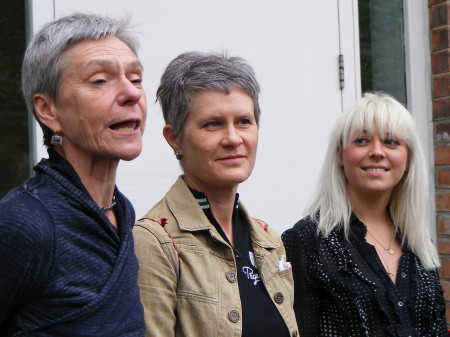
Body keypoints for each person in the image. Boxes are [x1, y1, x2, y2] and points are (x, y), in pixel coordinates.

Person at [0, 13, 147, 336]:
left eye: (135, 79)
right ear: (48, 110)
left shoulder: (120, 211)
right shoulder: (25, 224)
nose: (131, 93)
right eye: (100, 80)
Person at [133, 51, 299, 337]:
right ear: (174, 138)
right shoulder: (155, 241)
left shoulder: (270, 241)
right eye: (213, 124)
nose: (234, 138)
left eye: (244, 121)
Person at [282, 92, 447, 336]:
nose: (377, 151)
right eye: (361, 141)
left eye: (391, 142)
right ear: (340, 155)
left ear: (409, 159)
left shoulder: (419, 246)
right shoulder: (307, 242)